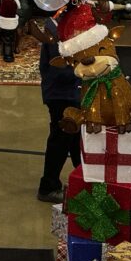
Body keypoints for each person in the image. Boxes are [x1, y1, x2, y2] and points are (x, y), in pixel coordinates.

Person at [37, 18, 81, 202]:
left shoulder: (61, 27)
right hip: (62, 96)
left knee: (75, 138)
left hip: (69, 93)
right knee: (61, 140)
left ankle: (85, 179)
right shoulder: (58, 33)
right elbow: (62, 71)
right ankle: (48, 187)